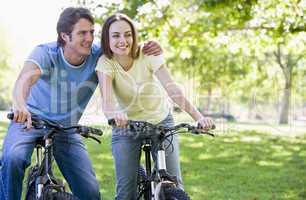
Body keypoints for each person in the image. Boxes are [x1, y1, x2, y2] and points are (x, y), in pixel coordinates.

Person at [0, 7, 161, 200]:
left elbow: (123, 45)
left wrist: (150, 46)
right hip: (29, 121)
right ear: (65, 36)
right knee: (13, 159)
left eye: (92, 32)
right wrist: (19, 104)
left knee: (90, 193)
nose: (89, 38)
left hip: (66, 129)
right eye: (82, 33)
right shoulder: (46, 52)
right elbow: (23, 81)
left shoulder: (98, 56)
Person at [96, 13, 214, 200]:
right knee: (127, 193)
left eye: (128, 34)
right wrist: (115, 115)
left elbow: (172, 89)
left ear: (134, 36)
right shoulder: (105, 62)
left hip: (161, 122)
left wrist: (198, 117)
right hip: (126, 126)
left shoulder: (147, 54)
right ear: (107, 39)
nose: (123, 40)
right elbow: (107, 101)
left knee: (174, 185)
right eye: (116, 35)